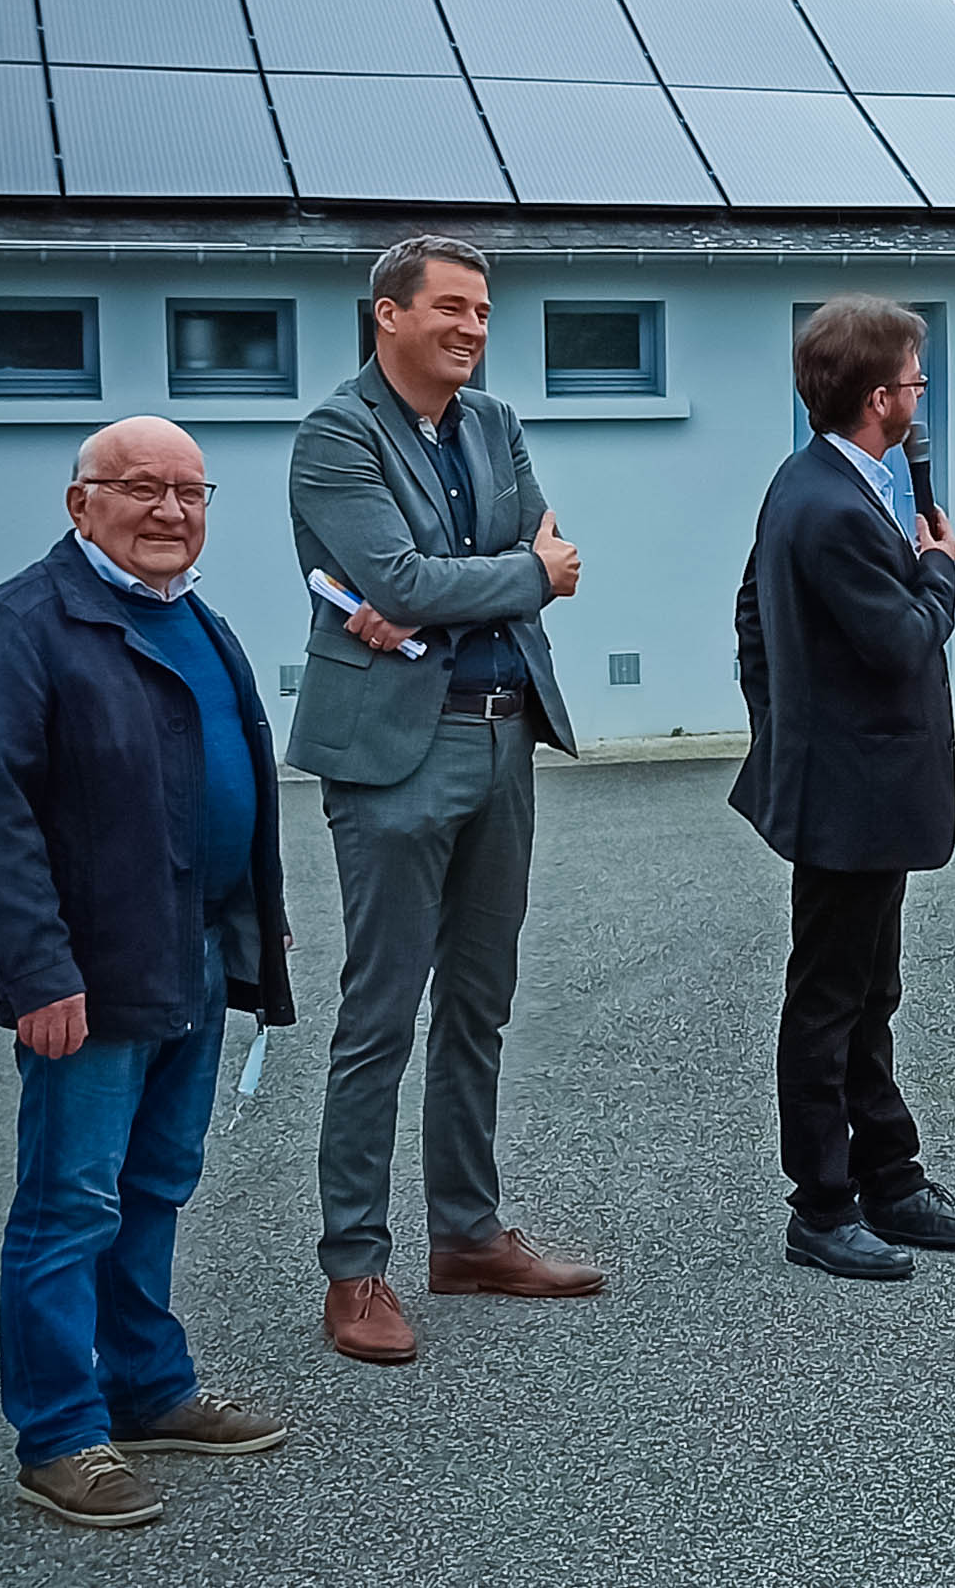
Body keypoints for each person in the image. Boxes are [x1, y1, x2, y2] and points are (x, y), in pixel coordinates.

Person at [0, 417, 297, 1529]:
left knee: (154, 1186)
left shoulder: (195, 618)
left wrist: (258, 920)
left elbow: (218, 784)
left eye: (191, 493)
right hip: (88, 974)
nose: (170, 513)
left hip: (189, 949)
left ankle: (146, 1387)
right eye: (140, 489)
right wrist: (38, 972)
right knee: (68, 1204)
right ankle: (57, 1434)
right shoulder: (25, 626)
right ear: (78, 501)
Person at [286, 234, 603, 1365]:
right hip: (393, 758)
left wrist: (437, 594)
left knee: (481, 1003)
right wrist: (475, 584)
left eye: (482, 313)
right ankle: (354, 1271)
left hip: (504, 740)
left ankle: (466, 1236)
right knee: (378, 1019)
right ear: (388, 315)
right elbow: (449, 577)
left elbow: (533, 557)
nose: (472, 329)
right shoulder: (336, 434)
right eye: (452, 310)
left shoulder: (496, 425)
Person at [733, 296, 955, 1275]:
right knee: (829, 1000)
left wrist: (786, 727)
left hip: (850, 787)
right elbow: (899, 641)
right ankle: (823, 1203)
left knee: (868, 990)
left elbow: (750, 623)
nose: (920, 399)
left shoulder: (811, 482)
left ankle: (890, 1177)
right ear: (881, 396)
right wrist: (940, 573)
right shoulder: (836, 503)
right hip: (848, 795)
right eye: (916, 383)